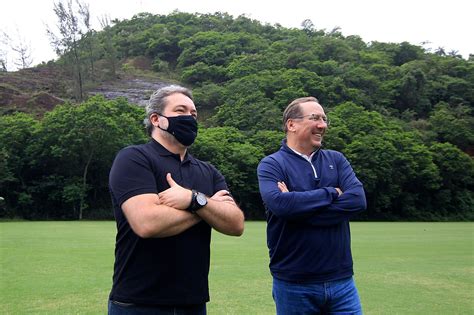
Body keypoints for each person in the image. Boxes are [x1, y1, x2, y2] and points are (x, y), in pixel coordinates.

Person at [108, 84, 245, 314]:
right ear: (156, 119)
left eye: (193, 114)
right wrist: (208, 206)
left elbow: (235, 224)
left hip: (193, 303)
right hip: (138, 303)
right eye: (181, 111)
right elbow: (147, 223)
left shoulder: (207, 171)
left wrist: (192, 199)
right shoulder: (134, 158)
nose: (190, 118)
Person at [257, 96, 366, 314]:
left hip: (342, 281)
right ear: (291, 124)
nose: (322, 125)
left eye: (325, 119)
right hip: (294, 283)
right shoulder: (272, 164)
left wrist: (298, 208)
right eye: (315, 118)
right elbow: (280, 205)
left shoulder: (336, 159)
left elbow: (357, 200)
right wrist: (331, 192)